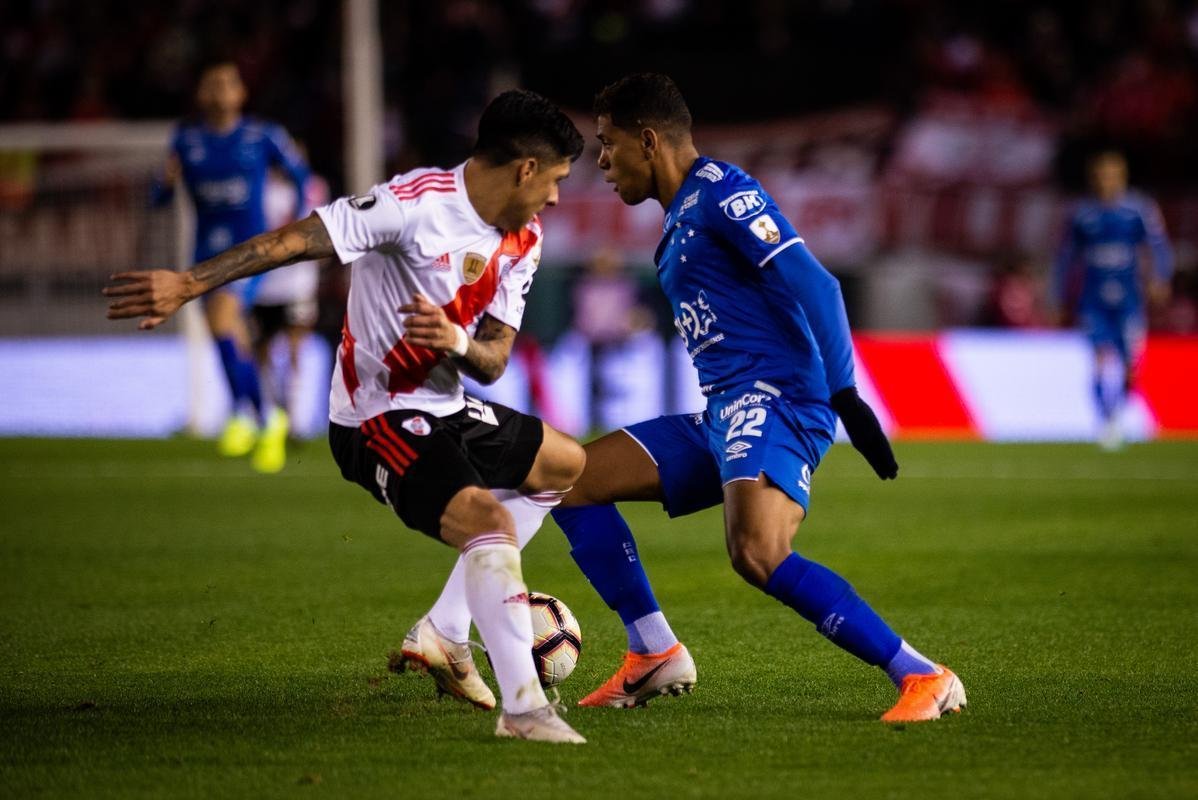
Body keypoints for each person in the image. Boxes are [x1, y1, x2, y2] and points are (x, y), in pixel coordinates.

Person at [405, 73, 966, 724]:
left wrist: (845, 392)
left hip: (776, 401)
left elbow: (816, 282)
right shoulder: (677, 224)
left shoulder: (722, 192)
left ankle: (923, 674)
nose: (604, 164)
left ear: (649, 140)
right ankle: (653, 650)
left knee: (757, 554)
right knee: (571, 479)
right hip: (725, 410)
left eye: (610, 145)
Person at [107, 90, 589, 744]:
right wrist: (191, 284)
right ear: (526, 169)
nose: (557, 198)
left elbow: (496, 358)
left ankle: (446, 632)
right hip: (375, 416)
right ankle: (526, 710)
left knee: (566, 465)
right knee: (490, 520)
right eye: (556, 180)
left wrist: (456, 344)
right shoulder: (412, 204)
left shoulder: (523, 237)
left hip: (449, 402)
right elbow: (296, 239)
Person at [153, 59, 310, 466]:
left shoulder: (263, 136)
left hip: (249, 253)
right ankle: (263, 415)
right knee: (226, 337)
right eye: (212, 83)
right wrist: (165, 184)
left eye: (228, 83)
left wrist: (292, 229)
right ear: (201, 94)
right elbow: (159, 198)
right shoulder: (186, 141)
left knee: (224, 321)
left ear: (241, 93)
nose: (220, 90)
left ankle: (250, 414)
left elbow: (299, 175)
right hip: (204, 252)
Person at [1052, 150, 1174, 450]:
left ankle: (1118, 412)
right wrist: (1058, 296)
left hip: (1129, 300)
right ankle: (1104, 418)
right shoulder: (1082, 213)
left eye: (1112, 176)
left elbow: (1158, 246)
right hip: (1093, 301)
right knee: (1097, 361)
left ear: (1122, 178)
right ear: (1094, 180)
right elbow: (1066, 257)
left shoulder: (1138, 210)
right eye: (1101, 176)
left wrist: (1160, 277)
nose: (1106, 182)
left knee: (1131, 365)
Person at [247, 165, 331, 472]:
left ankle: (294, 420)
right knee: (262, 353)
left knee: (296, 349)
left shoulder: (312, 186)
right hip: (262, 286)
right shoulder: (257, 186)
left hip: (297, 286)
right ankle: (273, 415)